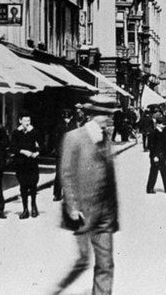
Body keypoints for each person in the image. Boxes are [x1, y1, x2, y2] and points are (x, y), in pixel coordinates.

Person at [54, 95, 119, 295]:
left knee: (106, 263)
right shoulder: (74, 137)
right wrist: (72, 206)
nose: (105, 119)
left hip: (105, 213)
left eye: (108, 115)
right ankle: (57, 288)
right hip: (83, 210)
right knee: (83, 260)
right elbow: (66, 173)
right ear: (91, 115)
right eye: (101, 114)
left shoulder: (106, 138)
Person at [10, 112, 42, 219]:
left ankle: (33, 206)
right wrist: (23, 151)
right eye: (25, 121)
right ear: (20, 121)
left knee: (33, 185)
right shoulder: (16, 132)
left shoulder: (35, 132)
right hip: (21, 163)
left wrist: (37, 153)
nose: (27, 123)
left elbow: (42, 145)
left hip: (32, 163)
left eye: (29, 120)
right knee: (23, 186)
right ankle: (25, 209)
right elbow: (13, 147)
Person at [146, 114, 166, 193]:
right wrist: (154, 156)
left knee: (164, 172)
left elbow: (164, 144)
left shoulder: (162, 132)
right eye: (162, 124)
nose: (164, 125)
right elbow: (151, 146)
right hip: (156, 156)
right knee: (153, 172)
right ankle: (149, 188)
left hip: (162, 156)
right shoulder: (153, 133)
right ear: (158, 124)